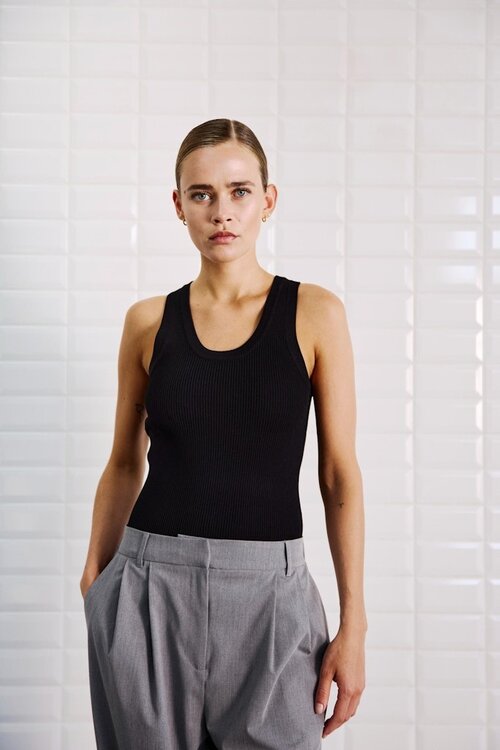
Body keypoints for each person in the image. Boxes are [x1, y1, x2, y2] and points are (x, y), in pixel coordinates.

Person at [80, 118, 367, 750]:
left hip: (273, 599)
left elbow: (338, 474)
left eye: (239, 191)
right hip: (149, 591)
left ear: (268, 199)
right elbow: (125, 462)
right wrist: (95, 582)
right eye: (202, 194)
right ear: (178, 204)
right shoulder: (147, 322)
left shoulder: (315, 313)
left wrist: (355, 623)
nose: (222, 212)